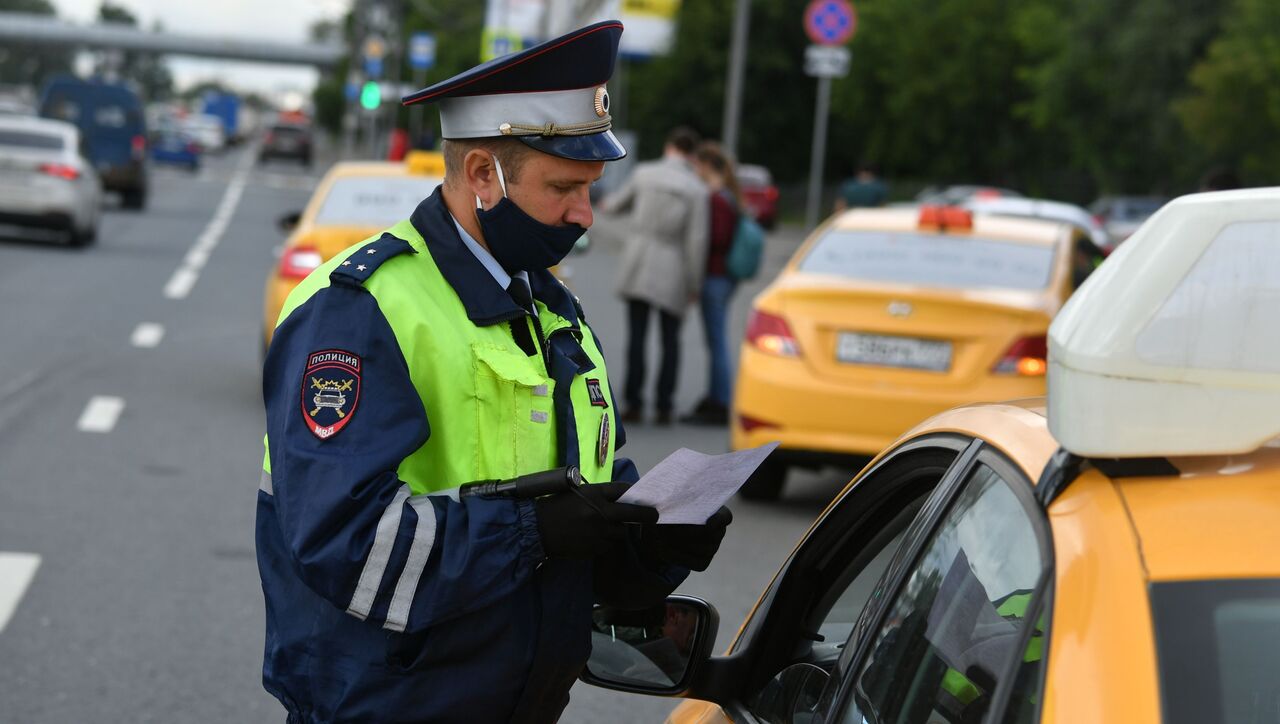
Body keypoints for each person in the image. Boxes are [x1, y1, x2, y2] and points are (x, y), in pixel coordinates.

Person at [256, 21, 732, 723]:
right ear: (482, 174)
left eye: (593, 187)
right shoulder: (361, 309)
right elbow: (344, 547)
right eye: (565, 187)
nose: (585, 215)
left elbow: (583, 517)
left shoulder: (550, 308)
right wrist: (532, 531)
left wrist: (651, 544)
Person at [601, 126, 709, 426]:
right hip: (672, 263)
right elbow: (697, 241)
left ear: (668, 146)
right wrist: (694, 283)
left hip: (639, 258)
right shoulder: (696, 189)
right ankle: (664, 405)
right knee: (670, 339)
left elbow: (614, 205)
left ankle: (633, 402)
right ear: (692, 154)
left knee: (637, 335)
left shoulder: (645, 173)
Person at [683, 141, 743, 426]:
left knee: (716, 340)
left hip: (716, 276)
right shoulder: (729, 195)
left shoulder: (718, 198)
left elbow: (717, 239)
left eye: (697, 165)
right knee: (715, 339)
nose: (695, 170)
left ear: (707, 166)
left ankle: (720, 402)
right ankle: (716, 396)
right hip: (723, 277)